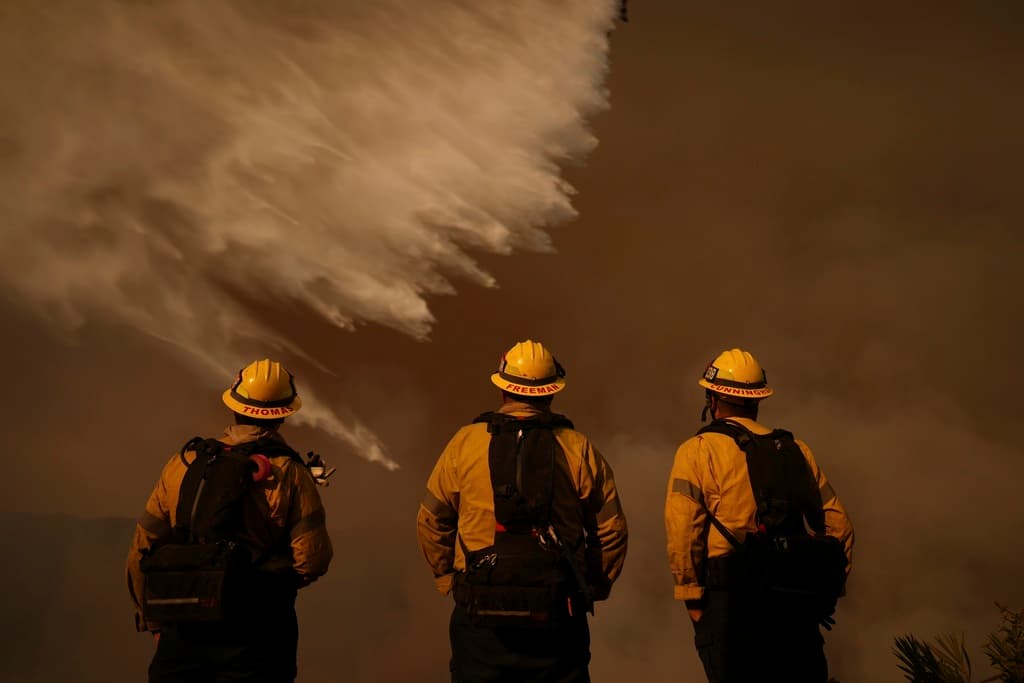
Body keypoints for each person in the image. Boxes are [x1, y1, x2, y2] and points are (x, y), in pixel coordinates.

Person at [417, 340, 628, 683]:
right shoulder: (579, 448)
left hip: (479, 615)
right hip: (558, 617)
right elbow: (611, 529)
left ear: (502, 390)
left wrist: (447, 578)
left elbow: (431, 520)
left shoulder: (464, 443)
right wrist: (591, 586)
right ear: (551, 394)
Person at [126, 358, 333, 683]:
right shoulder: (292, 474)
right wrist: (266, 588)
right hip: (256, 636)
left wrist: (154, 623)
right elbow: (314, 559)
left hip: (183, 627)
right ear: (283, 415)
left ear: (233, 404)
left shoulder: (184, 463)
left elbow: (142, 548)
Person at [665, 348, 854, 683]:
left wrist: (691, 597)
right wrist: (825, 595)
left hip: (731, 606)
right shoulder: (796, 450)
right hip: (796, 605)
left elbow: (683, 532)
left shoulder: (697, 451)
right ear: (757, 400)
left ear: (713, 398)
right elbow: (839, 525)